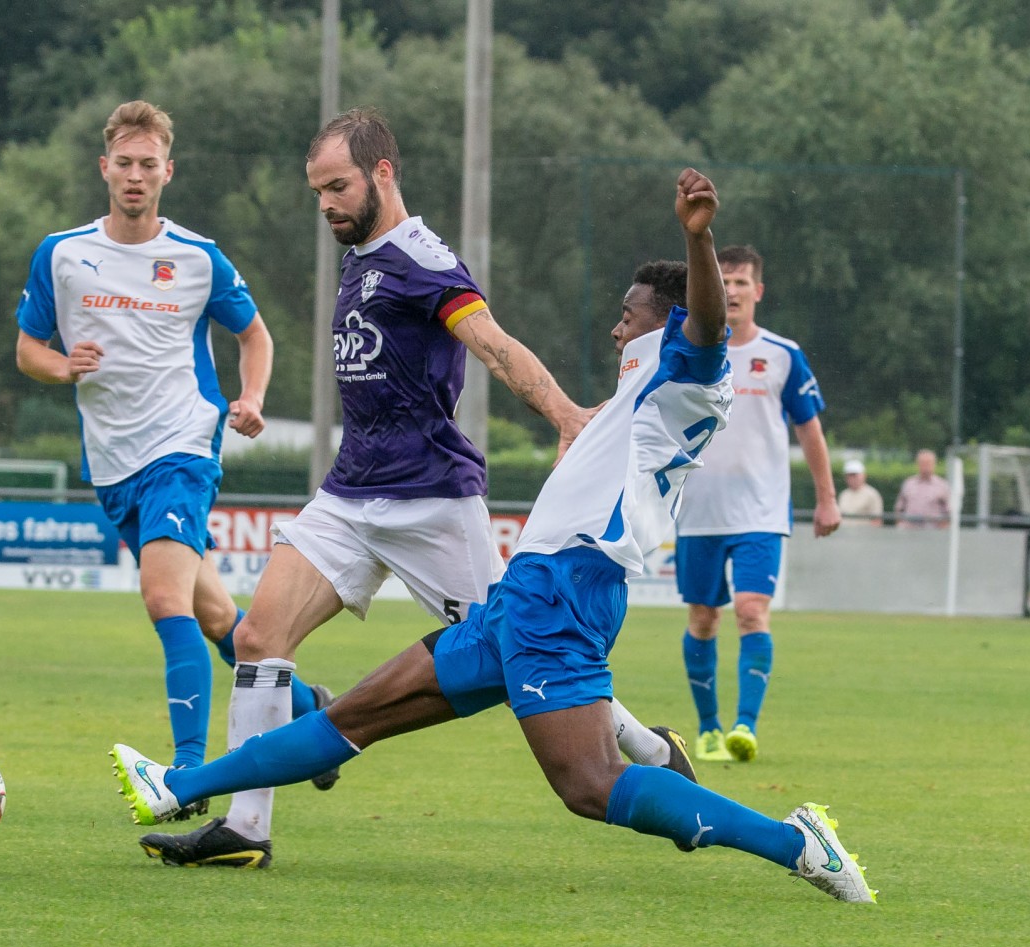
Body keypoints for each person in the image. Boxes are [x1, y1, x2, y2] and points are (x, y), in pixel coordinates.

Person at [113, 168, 876, 903]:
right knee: (354, 717)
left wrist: (699, 243)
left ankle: (797, 843)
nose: (617, 323)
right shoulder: (642, 387)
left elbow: (706, 321)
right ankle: (176, 786)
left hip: (565, 592)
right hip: (526, 596)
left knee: (589, 787)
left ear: (666, 321)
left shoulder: (687, 373)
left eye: (629, 312)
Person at [112, 107, 691, 866]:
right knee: (257, 635)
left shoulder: (423, 260)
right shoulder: (360, 253)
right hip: (351, 492)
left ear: (383, 173)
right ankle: (244, 830)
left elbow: (490, 342)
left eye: (338, 187)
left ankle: (651, 751)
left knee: (524, 655)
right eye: (318, 190)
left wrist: (563, 413)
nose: (326, 204)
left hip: (432, 499)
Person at [16, 100, 332, 798]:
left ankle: (187, 775)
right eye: (123, 163)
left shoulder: (198, 258)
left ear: (168, 171)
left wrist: (250, 399)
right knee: (218, 618)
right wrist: (63, 366)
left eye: (148, 164)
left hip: (182, 445)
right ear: (105, 168)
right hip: (112, 462)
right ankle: (317, 715)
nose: (135, 175)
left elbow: (255, 335)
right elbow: (28, 350)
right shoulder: (63, 254)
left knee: (164, 599)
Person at [673, 244, 840, 764]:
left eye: (743, 282)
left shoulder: (783, 355)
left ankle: (745, 727)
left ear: (758, 292)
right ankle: (708, 728)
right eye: (724, 281)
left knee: (750, 611)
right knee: (703, 618)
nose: (734, 291)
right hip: (697, 511)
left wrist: (827, 499)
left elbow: (809, 429)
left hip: (760, 513)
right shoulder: (685, 351)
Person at [894, 449, 951, 529]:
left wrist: (941, 530)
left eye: (928, 463)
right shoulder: (908, 483)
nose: (925, 466)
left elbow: (948, 512)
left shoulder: (942, 485)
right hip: (909, 531)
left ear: (934, 464)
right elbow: (899, 508)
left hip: (933, 532)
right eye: (923, 463)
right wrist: (901, 525)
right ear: (917, 464)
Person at [836, 459, 884, 525]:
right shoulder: (844, 494)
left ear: (864, 475)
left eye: (855, 475)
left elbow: (877, 520)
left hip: (863, 534)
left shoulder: (872, 494)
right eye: (849, 475)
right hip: (844, 533)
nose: (852, 478)